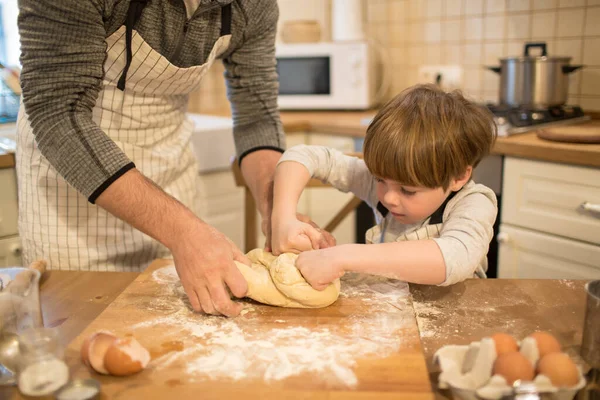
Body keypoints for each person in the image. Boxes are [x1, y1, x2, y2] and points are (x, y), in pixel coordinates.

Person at [16, 0, 294, 317]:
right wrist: (182, 230)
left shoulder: (253, 6)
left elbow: (257, 118)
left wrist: (277, 208)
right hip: (72, 185)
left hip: (169, 170)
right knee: (80, 331)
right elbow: (58, 114)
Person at [271, 84, 498, 289]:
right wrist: (283, 219)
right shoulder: (388, 184)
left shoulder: (474, 203)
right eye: (380, 180)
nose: (389, 198)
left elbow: (453, 257)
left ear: (458, 177)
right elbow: (303, 155)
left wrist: (344, 256)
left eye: (408, 190)